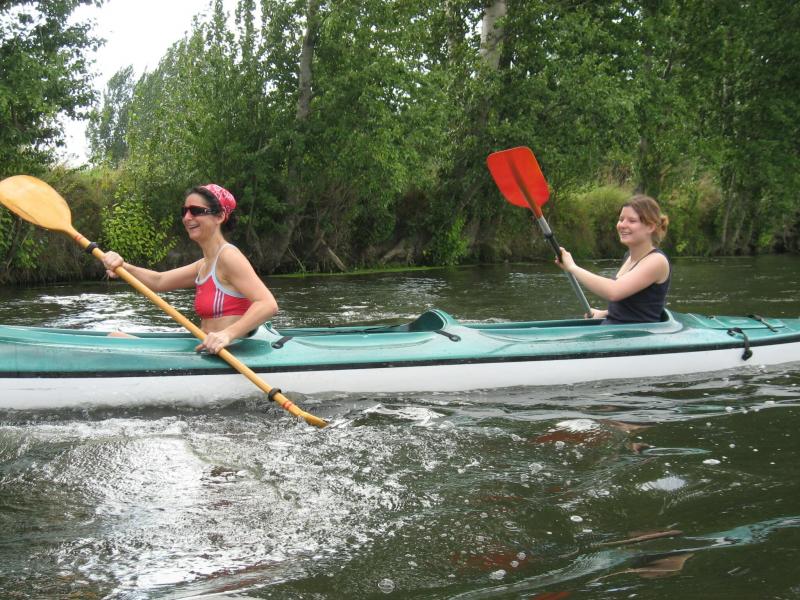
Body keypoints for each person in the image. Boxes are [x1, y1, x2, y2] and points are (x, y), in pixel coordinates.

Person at [101, 184, 278, 353]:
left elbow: (267, 304)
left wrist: (227, 334)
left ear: (219, 216)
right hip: (206, 348)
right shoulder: (204, 264)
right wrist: (123, 266)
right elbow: (159, 281)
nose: (187, 217)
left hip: (229, 351)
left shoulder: (228, 256)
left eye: (196, 211)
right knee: (115, 337)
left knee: (115, 340)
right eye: (184, 211)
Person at [555, 194, 670, 324]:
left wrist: (573, 267)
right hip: (615, 330)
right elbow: (633, 305)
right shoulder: (629, 256)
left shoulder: (657, 261)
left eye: (632, 221)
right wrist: (605, 313)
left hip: (635, 334)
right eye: (621, 219)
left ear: (650, 227)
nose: (622, 225)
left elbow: (614, 291)